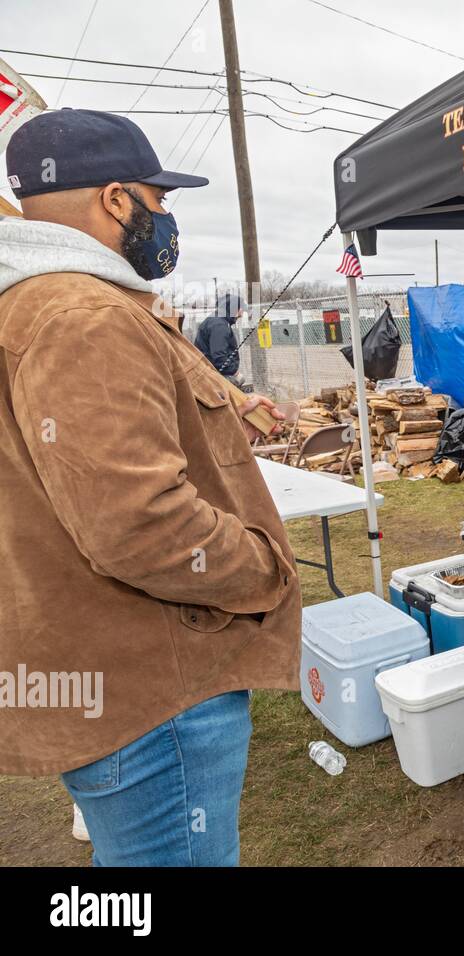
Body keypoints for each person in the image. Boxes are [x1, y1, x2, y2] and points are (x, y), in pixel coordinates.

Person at [0, 109, 300, 866]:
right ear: (115, 200)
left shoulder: (50, 303)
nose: (167, 218)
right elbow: (137, 523)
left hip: (107, 674)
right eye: (159, 199)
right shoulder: (81, 315)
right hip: (155, 688)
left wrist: (230, 407)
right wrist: (260, 570)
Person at [195, 290, 245, 385]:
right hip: (216, 376)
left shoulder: (218, 321)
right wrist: (233, 372)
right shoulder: (219, 325)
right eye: (240, 308)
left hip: (211, 373)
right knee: (240, 380)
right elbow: (219, 356)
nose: (242, 312)